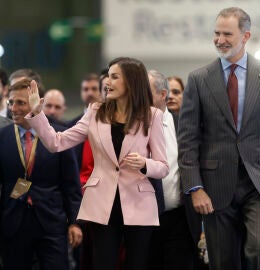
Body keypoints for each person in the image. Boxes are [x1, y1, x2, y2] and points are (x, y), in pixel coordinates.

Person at [177, 7, 260, 270]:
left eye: (227, 34)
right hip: (215, 183)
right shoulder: (198, 79)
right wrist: (194, 188)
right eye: (216, 33)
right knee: (223, 259)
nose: (220, 40)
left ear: (246, 35)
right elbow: (187, 140)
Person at [26, 57, 169, 270]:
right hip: (103, 203)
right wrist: (38, 113)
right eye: (108, 77)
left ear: (131, 81)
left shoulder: (152, 115)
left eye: (114, 77)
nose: (107, 83)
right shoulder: (95, 112)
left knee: (137, 264)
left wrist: (145, 163)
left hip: (140, 205)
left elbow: (163, 166)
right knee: (103, 264)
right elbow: (57, 142)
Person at [0, 79, 82, 269]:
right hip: (13, 223)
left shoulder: (59, 136)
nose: (14, 108)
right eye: (11, 102)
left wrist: (75, 223)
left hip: (51, 221)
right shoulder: (2, 137)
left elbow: (71, 184)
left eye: (21, 103)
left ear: (37, 104)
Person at [148, 70, 196, 270]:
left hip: (179, 218)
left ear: (162, 95)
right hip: (143, 218)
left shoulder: (184, 125)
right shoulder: (134, 124)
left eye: (146, 91)